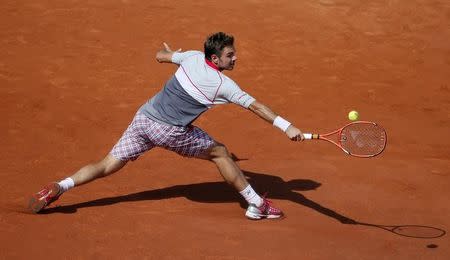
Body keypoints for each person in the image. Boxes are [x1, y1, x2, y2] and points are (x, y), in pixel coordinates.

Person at [28, 32, 304, 220]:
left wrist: (174, 55)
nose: (236, 59)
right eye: (230, 55)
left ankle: (60, 186)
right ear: (216, 59)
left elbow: (160, 56)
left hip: (143, 118)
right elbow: (256, 106)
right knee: (220, 152)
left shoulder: (194, 56)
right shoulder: (224, 85)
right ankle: (257, 205)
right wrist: (287, 126)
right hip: (169, 130)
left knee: (106, 164)